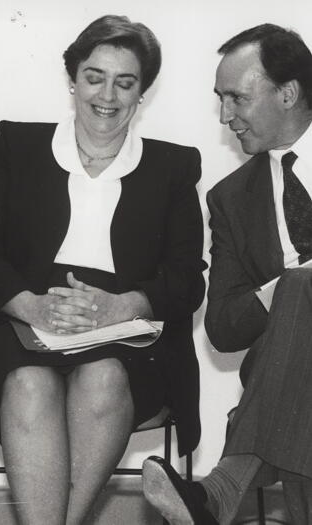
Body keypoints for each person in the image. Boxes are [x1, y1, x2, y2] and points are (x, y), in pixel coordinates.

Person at [0, 14, 206, 525]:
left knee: (104, 379)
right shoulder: (17, 145)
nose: (106, 94)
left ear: (142, 93)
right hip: (18, 319)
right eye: (94, 76)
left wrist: (124, 305)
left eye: (125, 82)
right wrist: (31, 305)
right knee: (28, 384)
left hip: (129, 333)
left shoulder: (174, 166)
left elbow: (187, 278)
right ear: (72, 80)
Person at [143, 23, 312, 525]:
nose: (225, 116)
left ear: (288, 92)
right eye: (220, 99)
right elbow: (222, 327)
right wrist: (282, 288)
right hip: (293, 385)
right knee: (299, 289)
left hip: (276, 396)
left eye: (237, 98)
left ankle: (221, 489)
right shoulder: (231, 199)